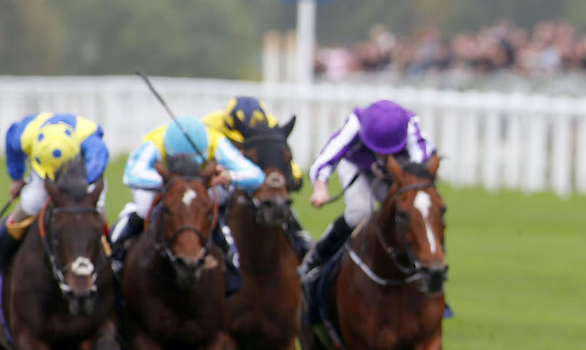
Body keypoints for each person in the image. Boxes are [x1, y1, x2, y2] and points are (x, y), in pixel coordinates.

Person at [109, 114, 265, 285]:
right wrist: (173, 183)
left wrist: (231, 176)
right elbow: (131, 175)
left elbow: (257, 176)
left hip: (199, 189)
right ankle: (116, 252)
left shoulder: (217, 142)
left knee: (212, 202)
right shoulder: (154, 142)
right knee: (143, 208)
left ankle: (230, 258)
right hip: (165, 185)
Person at [299, 99, 436, 282]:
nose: (383, 155)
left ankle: (428, 269)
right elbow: (327, 156)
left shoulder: (411, 125)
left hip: (399, 173)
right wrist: (320, 187)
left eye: (389, 151)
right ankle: (317, 256)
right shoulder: (356, 123)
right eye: (379, 150)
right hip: (358, 167)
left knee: (410, 213)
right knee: (360, 212)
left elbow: (422, 161)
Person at [0, 112, 109, 269]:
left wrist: (78, 188)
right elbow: (11, 145)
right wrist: (17, 177)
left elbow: (97, 166)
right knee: (31, 203)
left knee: (97, 210)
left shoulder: (91, 143)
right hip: (43, 174)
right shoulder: (25, 134)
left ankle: (109, 252)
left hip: (81, 173)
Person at [204, 96, 313, 252]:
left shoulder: (271, 125)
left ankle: (301, 241)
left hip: (256, 178)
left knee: (280, 199)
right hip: (223, 177)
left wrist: (292, 178)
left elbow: (283, 162)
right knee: (216, 198)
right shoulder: (209, 126)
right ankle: (208, 240)